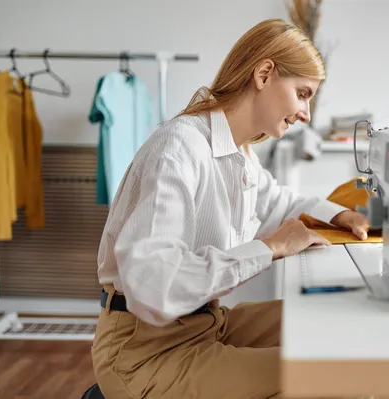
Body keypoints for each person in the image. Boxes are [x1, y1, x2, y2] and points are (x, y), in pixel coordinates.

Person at [91, 18, 370, 399]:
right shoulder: (179, 149)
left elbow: (278, 202)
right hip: (145, 351)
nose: (305, 113)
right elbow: (153, 287)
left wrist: (339, 214)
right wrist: (270, 248)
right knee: (323, 374)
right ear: (265, 73)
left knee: (335, 323)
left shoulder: (239, 154)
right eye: (302, 94)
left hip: (203, 323)